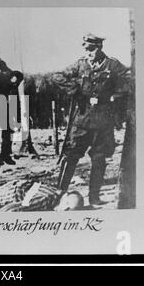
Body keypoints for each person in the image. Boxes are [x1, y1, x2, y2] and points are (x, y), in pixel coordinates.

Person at [50, 33, 131, 206]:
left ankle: (94, 197)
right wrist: (77, 92)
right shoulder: (81, 64)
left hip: (103, 121)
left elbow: (130, 79)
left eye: (92, 49)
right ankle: (60, 193)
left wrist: (114, 96)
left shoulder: (112, 65)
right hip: (82, 121)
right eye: (86, 49)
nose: (88, 53)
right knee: (70, 156)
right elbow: (57, 76)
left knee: (99, 158)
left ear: (100, 48)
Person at [0, 178, 84, 212]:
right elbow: (17, 209)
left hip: (17, 186)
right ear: (66, 195)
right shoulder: (46, 199)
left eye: (69, 209)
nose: (65, 208)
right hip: (11, 193)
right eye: (67, 203)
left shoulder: (56, 192)